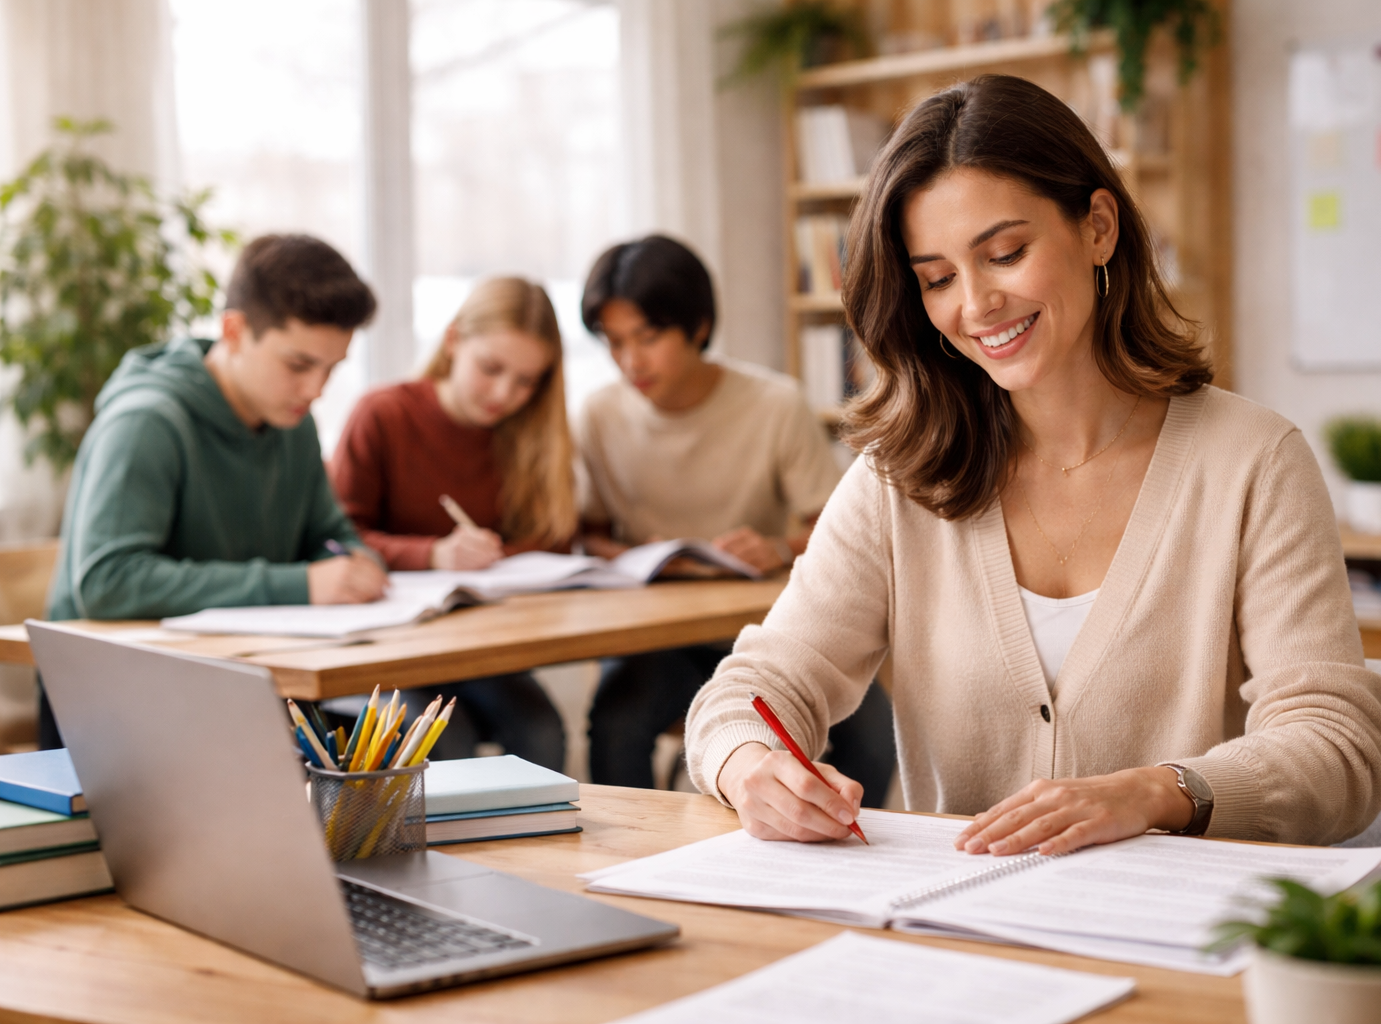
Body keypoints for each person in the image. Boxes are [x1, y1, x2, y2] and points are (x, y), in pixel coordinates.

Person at [684, 75, 1381, 853]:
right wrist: (745, 764)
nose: (978, 303)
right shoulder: (902, 479)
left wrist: (1159, 791)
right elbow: (756, 687)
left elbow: (1339, 749)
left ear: (1097, 227)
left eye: (1006, 254)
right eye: (938, 279)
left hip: (1185, 937)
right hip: (962, 932)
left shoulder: (1254, 463)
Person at [577, 235, 897, 796]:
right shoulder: (598, 416)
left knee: (872, 724)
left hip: (772, 625)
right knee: (616, 720)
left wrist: (776, 548)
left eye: (647, 338)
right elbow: (589, 537)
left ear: (698, 328)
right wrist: (636, 557)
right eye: (614, 342)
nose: (631, 361)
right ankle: (634, 871)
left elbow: (836, 526)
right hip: (658, 639)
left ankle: (840, 849)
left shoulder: (774, 404)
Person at [42, 233, 385, 748]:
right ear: (234, 331)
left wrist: (356, 560)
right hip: (115, 702)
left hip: (243, 682)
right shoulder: (146, 422)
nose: (316, 390)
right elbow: (108, 581)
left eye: (332, 368)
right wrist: (301, 586)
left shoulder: (292, 422)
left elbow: (327, 534)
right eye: (298, 365)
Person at [328, 277, 574, 769]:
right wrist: (432, 555)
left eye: (527, 381)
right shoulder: (383, 414)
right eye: (491, 368)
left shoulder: (530, 434)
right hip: (390, 649)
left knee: (542, 731)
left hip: (478, 648)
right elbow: (337, 538)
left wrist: (503, 557)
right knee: (445, 742)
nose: (505, 393)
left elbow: (555, 538)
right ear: (453, 340)